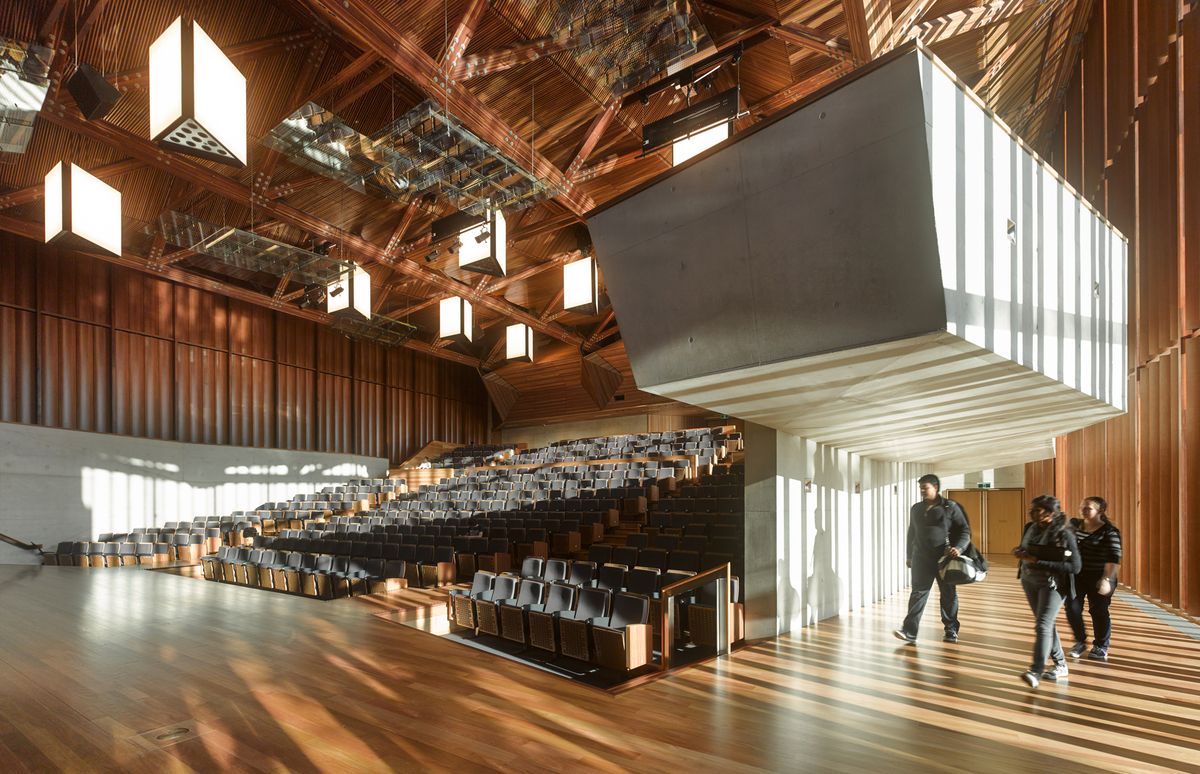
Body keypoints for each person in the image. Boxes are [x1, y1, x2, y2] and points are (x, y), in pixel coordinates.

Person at [1012, 495, 1081, 688]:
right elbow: (1027, 550)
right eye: (1031, 509)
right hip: (1029, 580)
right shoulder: (1030, 527)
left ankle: (1036, 670)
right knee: (1046, 625)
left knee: (1043, 625)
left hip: (1052, 585)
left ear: (1051, 513)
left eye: (1037, 510)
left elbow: (1075, 567)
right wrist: (1020, 553)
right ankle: (1060, 664)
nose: (1032, 513)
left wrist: (1038, 561)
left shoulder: (1064, 533)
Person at [893, 474, 971, 644]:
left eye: (925, 487)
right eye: (920, 488)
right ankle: (909, 631)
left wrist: (958, 548)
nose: (922, 491)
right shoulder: (916, 508)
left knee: (948, 594)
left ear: (935, 487)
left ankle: (951, 630)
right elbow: (911, 533)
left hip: (944, 559)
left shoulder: (950, 507)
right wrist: (909, 555)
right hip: (921, 558)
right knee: (918, 594)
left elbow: (964, 531)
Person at [1065, 496, 1122, 662]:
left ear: (1100, 511)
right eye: (1082, 507)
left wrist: (1107, 579)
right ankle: (1080, 641)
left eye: (1088, 508)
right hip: (1077, 575)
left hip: (1100, 576)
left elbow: (1114, 558)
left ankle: (1101, 646)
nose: (1083, 510)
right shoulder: (1074, 525)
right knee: (1072, 608)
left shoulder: (1109, 531)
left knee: (1098, 611)